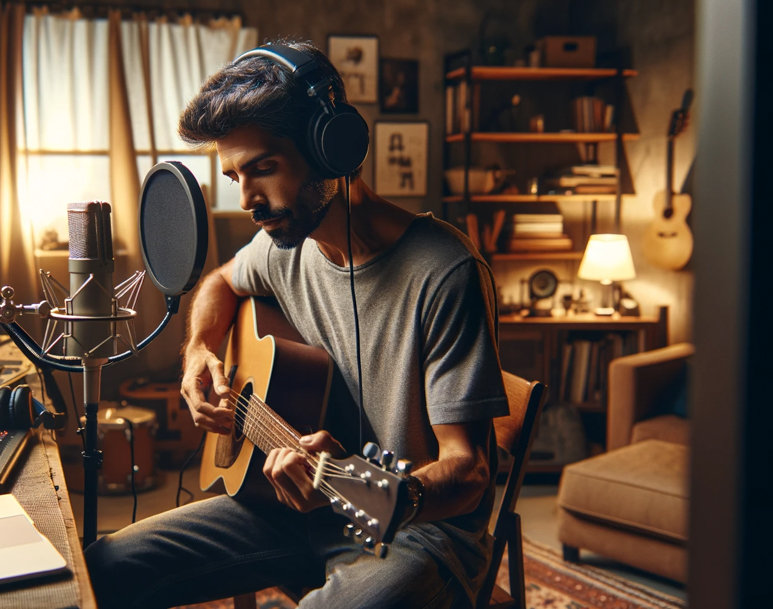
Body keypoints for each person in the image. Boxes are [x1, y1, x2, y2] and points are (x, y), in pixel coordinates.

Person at [84, 39, 509, 609]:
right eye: (235, 176)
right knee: (101, 568)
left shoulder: (444, 270)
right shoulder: (285, 243)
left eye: (263, 169)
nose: (248, 200)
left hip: (419, 531)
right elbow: (219, 283)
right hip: (291, 510)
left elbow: (471, 471)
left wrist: (373, 492)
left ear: (331, 150)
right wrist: (200, 354)